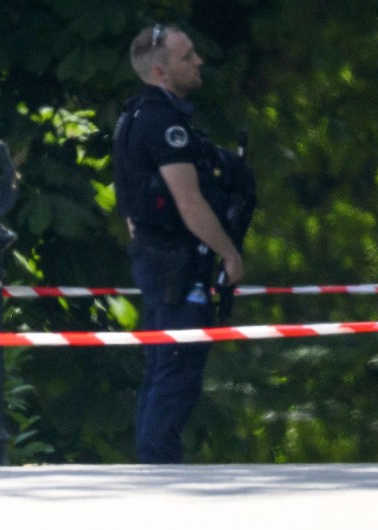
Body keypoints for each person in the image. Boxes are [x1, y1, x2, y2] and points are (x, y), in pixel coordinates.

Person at [113, 23, 248, 466]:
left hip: (156, 261)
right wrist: (229, 252)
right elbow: (188, 203)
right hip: (176, 265)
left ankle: (154, 464)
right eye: (187, 56)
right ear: (160, 71)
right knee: (176, 371)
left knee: (162, 367)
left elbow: (132, 211)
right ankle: (158, 471)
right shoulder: (163, 123)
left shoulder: (133, 116)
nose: (198, 61)